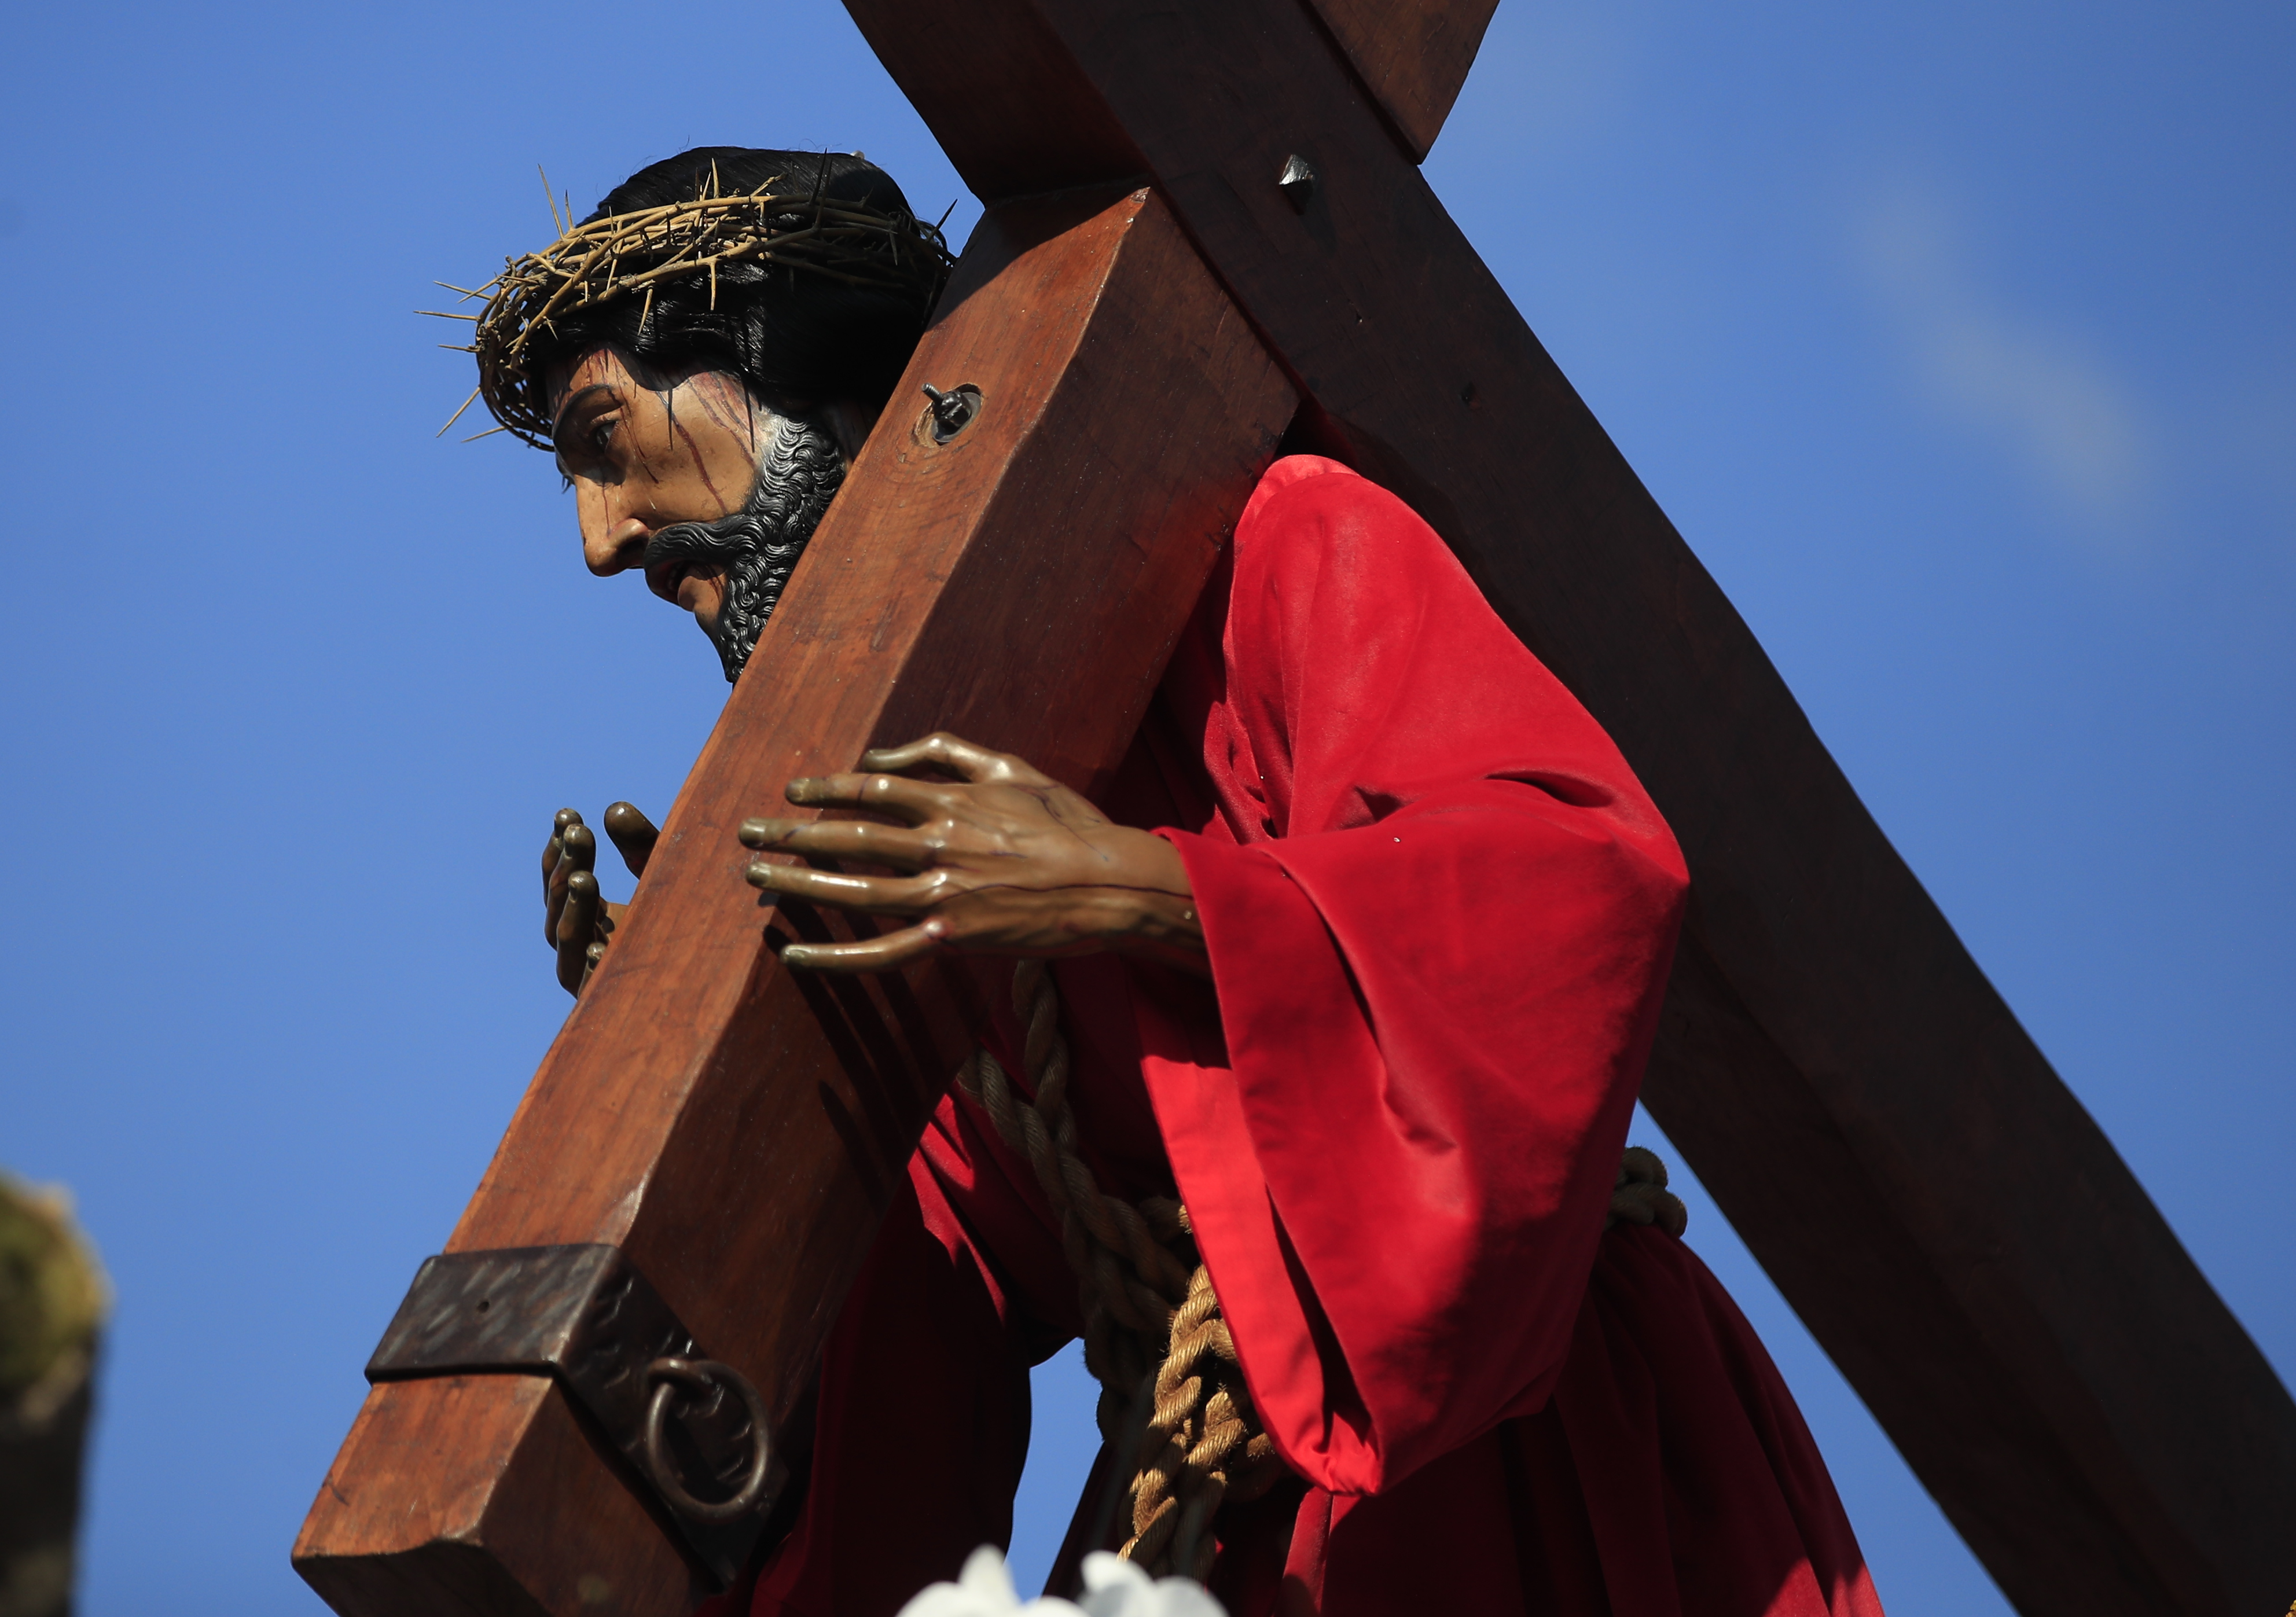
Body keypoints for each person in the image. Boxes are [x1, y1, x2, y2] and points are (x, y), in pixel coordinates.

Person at [457, 146, 1888, 1617]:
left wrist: (1141, 890)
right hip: (1206, 1520)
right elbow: (947, 1320)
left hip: (1519, 1458)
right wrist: (756, 1086)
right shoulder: (910, 834)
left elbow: (1564, 879)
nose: (601, 541)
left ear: (786, 365)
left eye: (604, 440)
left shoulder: (1278, 539)